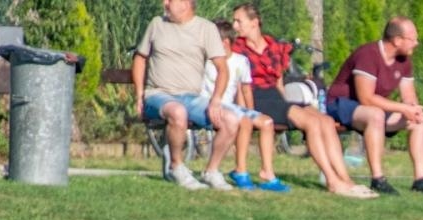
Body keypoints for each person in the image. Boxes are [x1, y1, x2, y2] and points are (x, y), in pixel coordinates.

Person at [228, 4, 377, 199]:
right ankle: (332, 181)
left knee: (325, 121)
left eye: (239, 21)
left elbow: (279, 80)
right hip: (255, 97)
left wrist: (286, 101)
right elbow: (239, 83)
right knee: (311, 122)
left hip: (274, 96)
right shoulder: (236, 48)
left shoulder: (274, 46)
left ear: (254, 23)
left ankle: (345, 179)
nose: (235, 25)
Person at [322, 18, 423, 195]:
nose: (416, 43)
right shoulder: (368, 55)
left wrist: (412, 109)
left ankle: (421, 180)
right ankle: (378, 179)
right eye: (413, 39)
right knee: (376, 115)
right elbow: (366, 98)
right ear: (397, 40)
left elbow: (409, 96)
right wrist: (402, 109)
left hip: (372, 109)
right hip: (340, 105)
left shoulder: (404, 60)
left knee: (420, 119)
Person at [132, 0, 242, 191]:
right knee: (178, 112)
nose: (164, 3)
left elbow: (223, 70)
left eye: (170, 0)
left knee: (231, 120)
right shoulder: (157, 24)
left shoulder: (206, 29)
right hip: (158, 95)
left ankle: (211, 171)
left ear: (185, 3)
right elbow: (140, 58)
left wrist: (216, 100)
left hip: (191, 98)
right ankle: (177, 166)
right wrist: (139, 94)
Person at [203, 19, 288, 192]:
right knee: (245, 122)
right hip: (210, 103)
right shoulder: (206, 61)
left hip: (231, 106)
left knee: (267, 122)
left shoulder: (240, 61)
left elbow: (246, 90)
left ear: (224, 43)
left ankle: (268, 174)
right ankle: (241, 170)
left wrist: (251, 111)